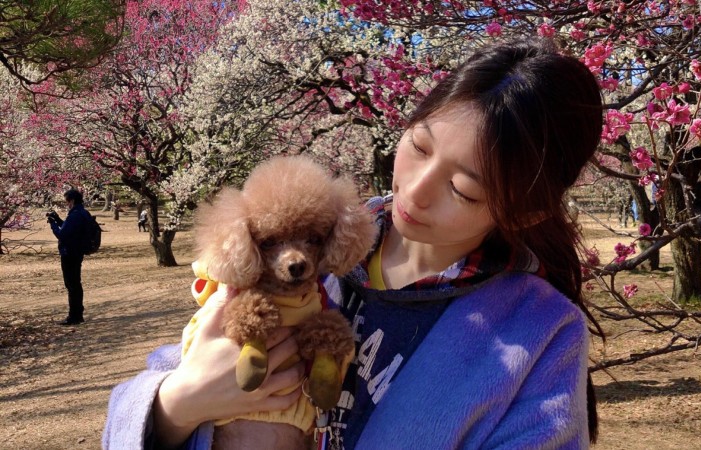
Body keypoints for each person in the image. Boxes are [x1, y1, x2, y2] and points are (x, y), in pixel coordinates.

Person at [103, 38, 604, 449]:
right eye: (419, 145)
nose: (416, 190)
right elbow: (153, 393)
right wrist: (178, 405)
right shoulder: (321, 240)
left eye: (463, 189)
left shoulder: (539, 331)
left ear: (525, 211)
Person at [48, 189, 91, 326]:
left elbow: (62, 235)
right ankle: (78, 313)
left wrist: (53, 224)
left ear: (71, 200)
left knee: (72, 285)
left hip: (70, 253)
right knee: (76, 283)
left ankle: (74, 316)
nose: (66, 204)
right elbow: (69, 229)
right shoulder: (83, 213)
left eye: (66, 201)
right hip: (77, 252)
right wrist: (58, 220)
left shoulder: (75, 215)